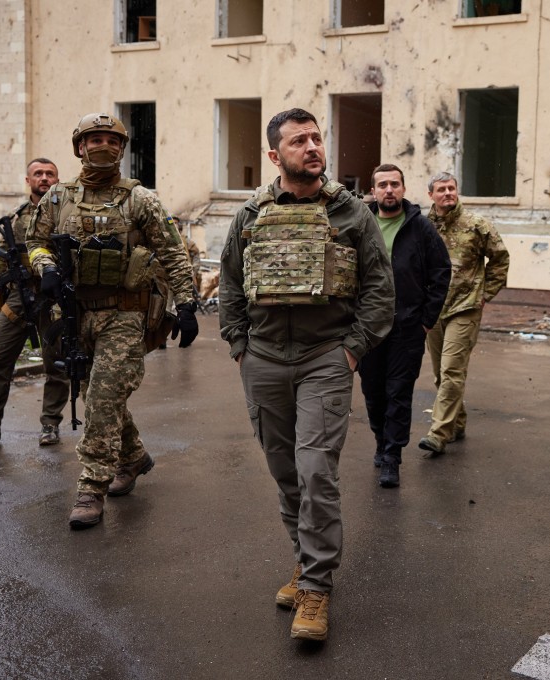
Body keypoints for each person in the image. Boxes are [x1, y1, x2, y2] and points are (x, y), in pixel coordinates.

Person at [218, 108, 394, 642]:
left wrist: (352, 350)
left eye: (317, 138)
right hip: (265, 360)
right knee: (285, 472)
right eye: (299, 141)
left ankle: (317, 586)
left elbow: (380, 291)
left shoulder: (352, 214)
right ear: (276, 156)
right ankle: (303, 559)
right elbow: (229, 284)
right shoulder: (249, 215)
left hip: (325, 358)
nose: (313, 147)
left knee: (316, 470)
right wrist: (240, 347)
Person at [26, 113, 198, 529]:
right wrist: (45, 265)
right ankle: (134, 457)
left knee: (103, 397)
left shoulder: (141, 200)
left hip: (125, 313)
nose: (103, 145)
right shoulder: (56, 199)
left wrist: (188, 304)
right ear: (79, 147)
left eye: (111, 140)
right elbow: (34, 242)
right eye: (94, 139)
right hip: (73, 312)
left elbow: (173, 252)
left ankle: (91, 487)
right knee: (95, 391)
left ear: (122, 148)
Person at [0, 159, 70, 447]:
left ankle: (50, 425)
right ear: (28, 180)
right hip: (20, 295)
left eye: (49, 174)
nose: (44, 178)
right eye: (38, 174)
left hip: (56, 297)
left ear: (57, 179)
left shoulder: (69, 214)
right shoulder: (15, 219)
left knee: (55, 364)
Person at [360, 164, 450, 488]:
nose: (388, 190)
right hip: (368, 327)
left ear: (403, 188)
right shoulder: (361, 224)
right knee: (373, 392)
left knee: (398, 391)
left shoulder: (421, 228)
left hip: (407, 326)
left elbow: (441, 273)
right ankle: (381, 441)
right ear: (373, 190)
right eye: (382, 184)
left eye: (394, 184)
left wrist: (427, 320)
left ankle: (392, 457)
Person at [418, 172, 509, 456]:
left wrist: (485, 295)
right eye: (441, 189)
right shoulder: (421, 227)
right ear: (431, 194)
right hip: (433, 309)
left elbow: (500, 258)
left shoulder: (476, 225)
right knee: (439, 374)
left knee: (452, 370)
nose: (448, 193)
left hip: (465, 307)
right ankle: (457, 421)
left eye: (452, 188)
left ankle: (438, 432)